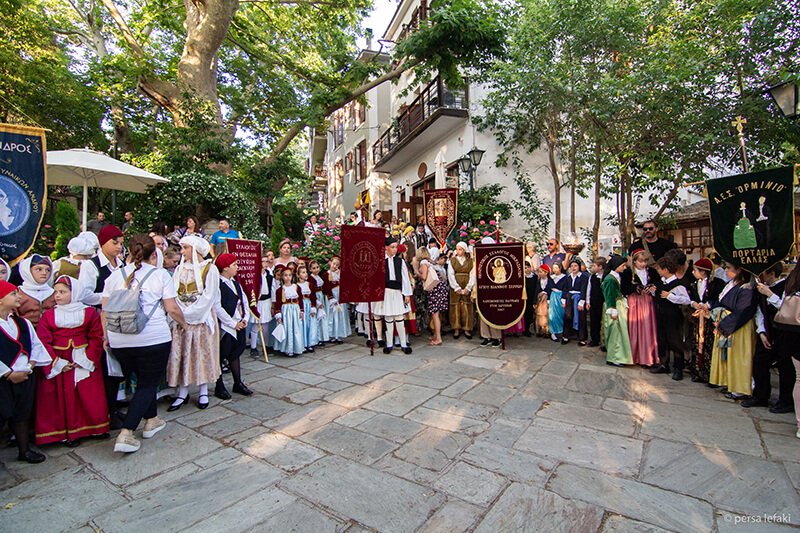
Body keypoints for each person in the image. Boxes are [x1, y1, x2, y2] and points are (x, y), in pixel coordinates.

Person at [103, 234, 188, 453]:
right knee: (148, 383)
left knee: (141, 381)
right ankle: (127, 432)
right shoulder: (159, 275)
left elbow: (105, 311)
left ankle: (152, 420)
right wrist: (184, 324)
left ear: (129, 252)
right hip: (152, 338)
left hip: (119, 339)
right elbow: (172, 308)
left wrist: (106, 337)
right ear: (154, 254)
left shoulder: (115, 276)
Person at [35, 276, 108, 447]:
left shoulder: (88, 312)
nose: (57, 296)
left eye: (62, 292)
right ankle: (60, 433)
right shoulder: (48, 315)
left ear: (73, 292)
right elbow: (43, 340)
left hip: (82, 358)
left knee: (87, 394)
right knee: (58, 396)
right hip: (59, 361)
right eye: (55, 292)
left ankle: (91, 428)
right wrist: (56, 362)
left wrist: (86, 358)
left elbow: (96, 336)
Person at [0, 280, 52, 463]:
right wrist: (7, 373)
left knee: (23, 414)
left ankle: (24, 450)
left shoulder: (23, 323)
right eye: (13, 294)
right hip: (4, 379)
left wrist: (29, 366)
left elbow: (36, 346)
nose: (19, 297)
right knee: (2, 414)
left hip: (25, 375)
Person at [167, 235, 221, 411]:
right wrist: (181, 314)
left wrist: (192, 314)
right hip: (182, 321)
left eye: (185, 248)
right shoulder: (179, 269)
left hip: (201, 319)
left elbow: (209, 296)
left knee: (201, 353)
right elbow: (174, 292)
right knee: (183, 354)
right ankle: (182, 390)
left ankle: (203, 389)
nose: (182, 252)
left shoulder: (209, 269)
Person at [749, 263, 794, 412]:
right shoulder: (760, 288)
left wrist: (770, 295)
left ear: (772, 273)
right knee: (760, 362)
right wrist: (761, 332)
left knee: (785, 368)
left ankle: (786, 401)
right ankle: (760, 396)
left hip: (783, 332)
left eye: (765, 273)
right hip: (767, 331)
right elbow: (759, 311)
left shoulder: (786, 286)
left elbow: (787, 309)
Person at [710, 264, 757, 399]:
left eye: (729, 268)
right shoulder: (731, 284)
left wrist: (724, 324)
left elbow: (743, 311)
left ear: (739, 271)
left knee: (740, 357)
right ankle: (730, 383)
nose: (726, 270)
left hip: (738, 326)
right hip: (726, 321)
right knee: (728, 356)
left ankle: (741, 388)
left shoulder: (747, 288)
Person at [213, 253, 253, 398]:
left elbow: (244, 301)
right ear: (225, 267)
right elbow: (217, 307)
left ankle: (237, 383)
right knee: (221, 355)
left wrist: (245, 318)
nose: (237, 267)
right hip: (226, 326)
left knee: (235, 354)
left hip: (239, 323)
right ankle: (219, 386)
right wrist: (232, 323)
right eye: (234, 265)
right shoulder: (217, 284)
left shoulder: (235, 283)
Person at [652, 256, 691, 380]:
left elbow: (686, 300)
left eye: (659, 268)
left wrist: (670, 296)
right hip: (661, 314)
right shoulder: (661, 283)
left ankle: (678, 368)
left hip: (673, 315)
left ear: (666, 269)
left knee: (675, 341)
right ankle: (664, 363)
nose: (658, 271)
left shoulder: (679, 284)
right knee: (662, 339)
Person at [686, 257, 725, 383]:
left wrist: (708, 305)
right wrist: (694, 304)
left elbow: (720, 298)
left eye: (695, 270)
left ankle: (709, 373)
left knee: (709, 344)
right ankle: (697, 371)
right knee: (696, 343)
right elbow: (690, 298)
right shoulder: (693, 284)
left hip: (710, 318)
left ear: (703, 272)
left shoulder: (717, 283)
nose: (693, 273)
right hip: (698, 318)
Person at [376, 237, 413, 354]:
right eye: (392, 247)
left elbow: (405, 279)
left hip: (397, 292)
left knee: (399, 318)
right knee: (388, 318)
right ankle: (389, 344)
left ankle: (403, 343)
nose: (395, 249)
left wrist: (406, 293)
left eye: (396, 247)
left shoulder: (400, 261)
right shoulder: (380, 261)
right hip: (386, 292)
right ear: (386, 248)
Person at [626, 250, 659, 367]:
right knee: (634, 327)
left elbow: (658, 284)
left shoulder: (652, 272)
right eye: (640, 261)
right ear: (634, 261)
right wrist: (636, 288)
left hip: (647, 302)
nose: (643, 264)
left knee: (647, 327)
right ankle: (634, 355)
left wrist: (652, 288)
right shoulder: (628, 272)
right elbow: (624, 287)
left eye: (645, 261)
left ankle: (647, 356)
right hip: (635, 302)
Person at [602, 255, 633, 367]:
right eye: (623, 266)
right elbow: (609, 295)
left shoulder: (616, 276)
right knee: (615, 331)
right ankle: (614, 356)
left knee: (619, 331)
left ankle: (618, 355)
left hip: (618, 304)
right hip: (614, 305)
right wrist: (612, 310)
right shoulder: (610, 279)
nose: (624, 268)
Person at [274, 266, 306, 357]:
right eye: (285, 275)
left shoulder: (296, 287)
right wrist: (279, 316)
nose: (288, 277)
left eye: (289, 275)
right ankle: (287, 349)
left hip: (295, 309)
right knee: (287, 328)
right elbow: (278, 303)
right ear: (282, 277)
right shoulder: (280, 290)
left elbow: (300, 299)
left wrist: (301, 311)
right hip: (286, 310)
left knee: (296, 328)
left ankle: (296, 348)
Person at [17, 254, 55, 328]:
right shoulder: (18, 293)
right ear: (28, 271)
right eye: (39, 269)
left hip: (50, 333)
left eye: (48, 270)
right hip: (25, 331)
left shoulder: (54, 293)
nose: (44, 273)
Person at [418, 248, 447, 346]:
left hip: (434, 289)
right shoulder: (431, 262)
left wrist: (417, 273)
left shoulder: (423, 262)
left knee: (435, 314)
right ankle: (436, 334)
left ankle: (438, 338)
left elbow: (424, 277)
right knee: (436, 314)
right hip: (440, 288)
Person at [448, 242, 475, 339]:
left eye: (460, 249)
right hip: (456, 285)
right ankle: (456, 328)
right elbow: (450, 274)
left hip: (466, 283)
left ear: (464, 250)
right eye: (457, 249)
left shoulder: (470, 261)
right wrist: (456, 287)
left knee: (467, 306)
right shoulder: (452, 260)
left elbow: (472, 274)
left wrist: (469, 287)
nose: (458, 251)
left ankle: (467, 328)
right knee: (455, 306)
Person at [249, 255, 273, 357]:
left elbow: (273, 289)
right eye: (262, 261)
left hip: (267, 301)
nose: (265, 263)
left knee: (266, 326)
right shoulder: (254, 275)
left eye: (266, 261)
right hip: (258, 302)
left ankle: (266, 345)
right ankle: (253, 347)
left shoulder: (269, 275)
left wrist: (273, 304)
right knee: (255, 325)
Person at [563, 258, 588, 345]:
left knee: (581, 318)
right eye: (572, 266)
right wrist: (563, 300)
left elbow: (584, 289)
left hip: (578, 298)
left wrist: (581, 302)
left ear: (579, 267)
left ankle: (581, 338)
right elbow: (565, 289)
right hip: (569, 298)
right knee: (568, 316)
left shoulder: (583, 277)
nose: (573, 268)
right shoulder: (568, 277)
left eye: (575, 266)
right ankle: (566, 336)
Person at [324, 257, 349, 343]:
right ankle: (332, 335)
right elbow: (326, 288)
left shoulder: (339, 274)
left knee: (340, 314)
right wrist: (331, 298)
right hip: (332, 296)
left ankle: (339, 334)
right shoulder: (326, 274)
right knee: (332, 315)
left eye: (337, 265)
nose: (335, 266)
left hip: (339, 295)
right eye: (334, 264)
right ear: (330, 263)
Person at [296, 265, 319, 353]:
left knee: (310, 324)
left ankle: (310, 343)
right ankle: (303, 344)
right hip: (301, 306)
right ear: (298, 275)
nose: (305, 274)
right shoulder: (296, 286)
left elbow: (313, 297)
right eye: (303, 272)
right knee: (302, 325)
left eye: (306, 272)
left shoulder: (310, 284)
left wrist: (313, 307)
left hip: (308, 305)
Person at [586, 257, 606, 347]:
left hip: (604, 302)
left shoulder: (606, 277)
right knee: (594, 321)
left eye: (594, 266)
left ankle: (604, 341)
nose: (592, 268)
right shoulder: (592, 277)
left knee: (604, 321)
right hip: (594, 302)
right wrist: (588, 301)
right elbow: (589, 289)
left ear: (600, 267)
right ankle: (595, 339)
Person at [309, 260, 330, 345]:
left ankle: (322, 336)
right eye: (314, 268)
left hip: (321, 295)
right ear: (310, 269)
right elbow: (311, 291)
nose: (316, 269)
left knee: (322, 317)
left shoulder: (319, 276)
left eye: (317, 267)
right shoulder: (311, 278)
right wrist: (317, 302)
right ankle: (316, 338)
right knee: (316, 318)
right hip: (316, 297)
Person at [548, 262, 567, 343]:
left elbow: (566, 289)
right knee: (552, 315)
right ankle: (553, 332)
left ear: (560, 268)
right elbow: (548, 288)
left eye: (556, 268)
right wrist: (548, 299)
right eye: (553, 268)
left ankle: (561, 332)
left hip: (560, 296)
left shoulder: (565, 277)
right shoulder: (551, 277)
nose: (554, 270)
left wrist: (564, 299)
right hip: (553, 296)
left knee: (561, 314)